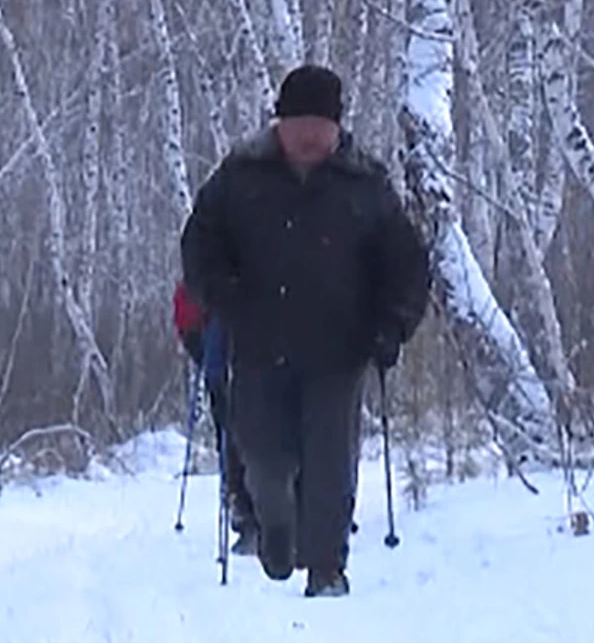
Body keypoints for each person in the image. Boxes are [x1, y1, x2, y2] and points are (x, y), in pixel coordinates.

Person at [180, 63, 431, 597]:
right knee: (266, 459)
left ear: (339, 128)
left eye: (323, 129)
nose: (312, 139)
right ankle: (275, 523)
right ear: (280, 124)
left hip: (340, 346)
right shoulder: (239, 176)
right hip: (257, 341)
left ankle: (326, 567)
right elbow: (200, 243)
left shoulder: (366, 183)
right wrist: (220, 294)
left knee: (330, 462)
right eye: (302, 128)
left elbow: (406, 263)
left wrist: (393, 326)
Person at [172, 276, 258, 555]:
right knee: (237, 434)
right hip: (230, 358)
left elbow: (186, 306)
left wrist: (196, 344)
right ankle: (249, 513)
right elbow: (187, 303)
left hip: (227, 358)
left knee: (232, 435)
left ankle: (246, 511)